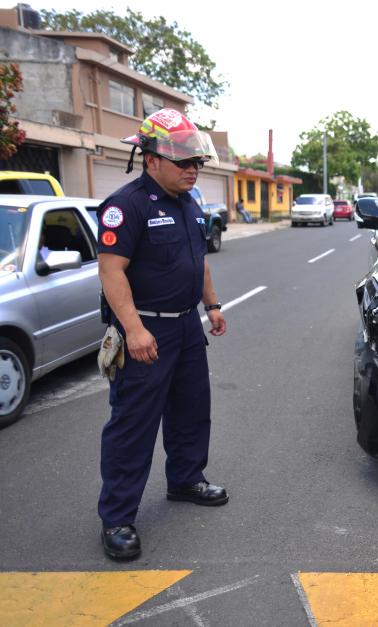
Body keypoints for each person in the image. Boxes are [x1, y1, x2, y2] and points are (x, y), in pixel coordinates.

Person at [96, 108, 228, 560]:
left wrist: (211, 305)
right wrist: (133, 330)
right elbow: (111, 272)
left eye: (197, 163)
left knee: (192, 410)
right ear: (150, 159)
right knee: (133, 425)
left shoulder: (189, 203)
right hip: (145, 330)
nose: (193, 170)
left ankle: (186, 480)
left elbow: (199, 260)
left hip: (186, 327)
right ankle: (116, 518)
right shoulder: (125, 206)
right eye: (183, 162)